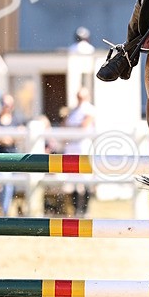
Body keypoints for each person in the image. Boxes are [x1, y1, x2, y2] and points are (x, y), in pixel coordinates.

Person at [63, 86, 97, 216]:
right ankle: (76, 209)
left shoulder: (89, 109)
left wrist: (72, 128)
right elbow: (65, 125)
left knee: (86, 180)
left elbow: (84, 125)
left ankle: (85, 210)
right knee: (73, 181)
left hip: (83, 147)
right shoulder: (74, 110)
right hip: (72, 147)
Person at [0, 93, 18, 216]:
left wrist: (2, 137)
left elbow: (15, 138)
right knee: (6, 179)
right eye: (3, 103)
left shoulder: (17, 120)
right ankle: (4, 212)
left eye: (8, 104)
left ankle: (4, 212)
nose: (6, 106)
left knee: (8, 180)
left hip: (14, 161)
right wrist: (7, 138)